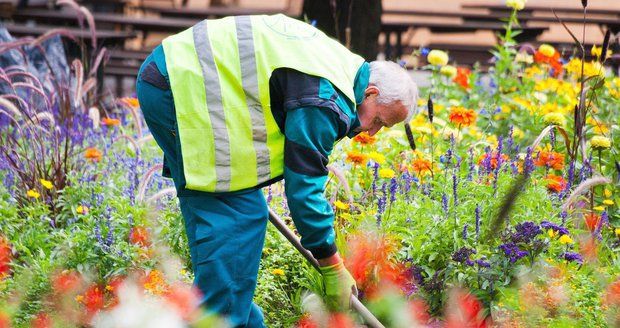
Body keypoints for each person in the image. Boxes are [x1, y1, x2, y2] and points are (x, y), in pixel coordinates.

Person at [136, 14, 418, 327]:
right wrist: (332, 264)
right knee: (236, 222)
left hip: (173, 76)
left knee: (244, 220)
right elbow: (304, 189)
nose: (372, 132)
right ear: (372, 93)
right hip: (180, 87)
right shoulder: (327, 99)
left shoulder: (338, 67)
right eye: (379, 121)